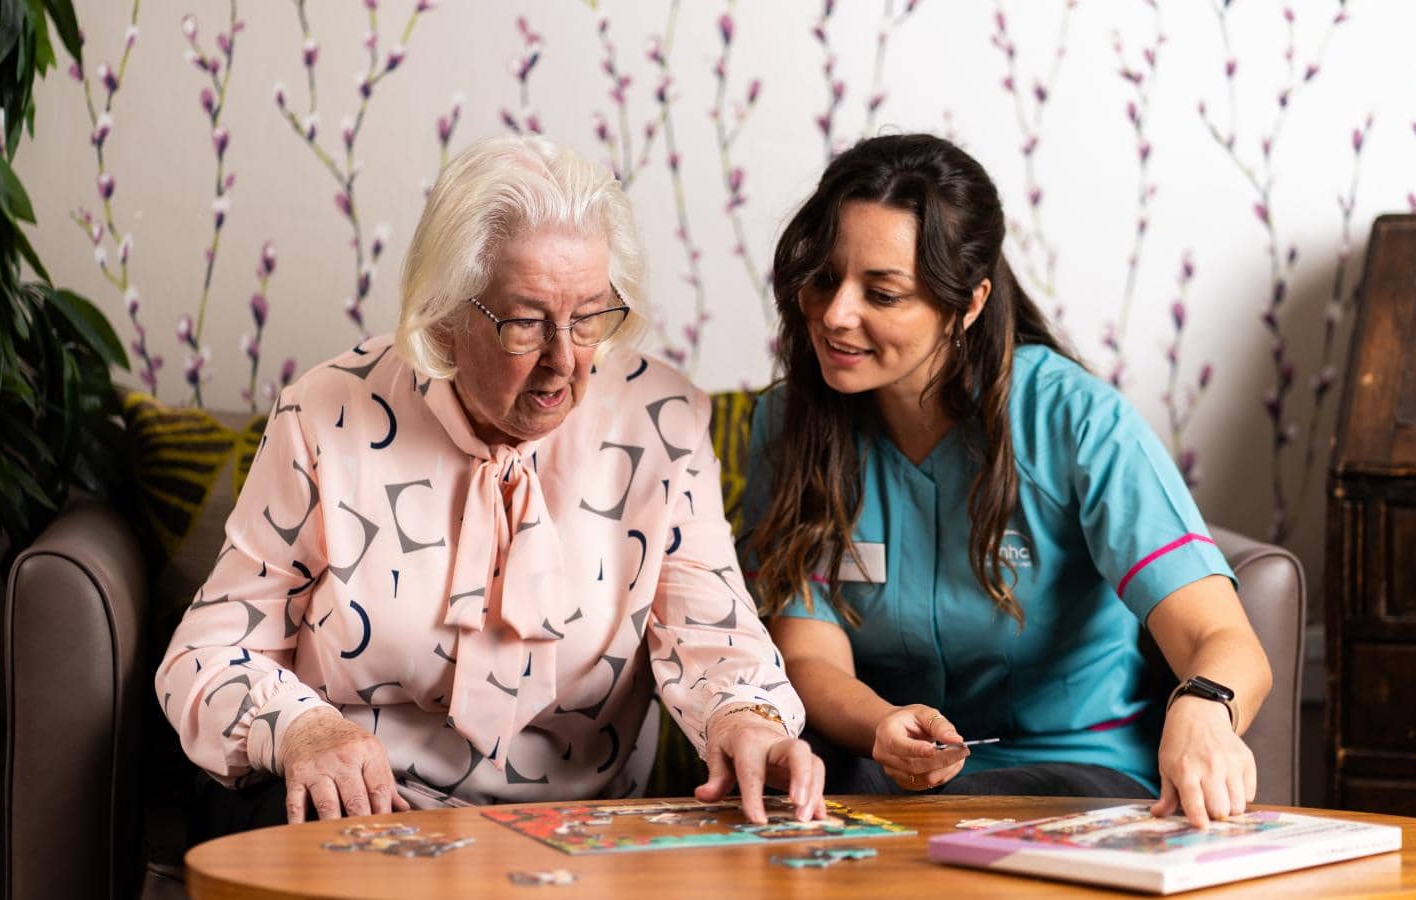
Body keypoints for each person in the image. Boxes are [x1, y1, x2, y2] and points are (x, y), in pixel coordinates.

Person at [156, 135, 825, 834]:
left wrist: (748, 719)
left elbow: (710, 632)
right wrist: (304, 732)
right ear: (446, 318)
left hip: (579, 830)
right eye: (526, 323)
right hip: (363, 807)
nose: (564, 360)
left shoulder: (663, 420)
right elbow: (205, 650)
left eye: (590, 316)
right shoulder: (324, 413)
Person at [739, 133, 1271, 828]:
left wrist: (1203, 709)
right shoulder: (789, 421)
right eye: (824, 277)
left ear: (967, 303)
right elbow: (806, 647)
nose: (836, 314)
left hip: (1078, 772)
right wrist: (880, 724)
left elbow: (1222, 640)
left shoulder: (1077, 420)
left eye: (883, 292)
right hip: (881, 770)